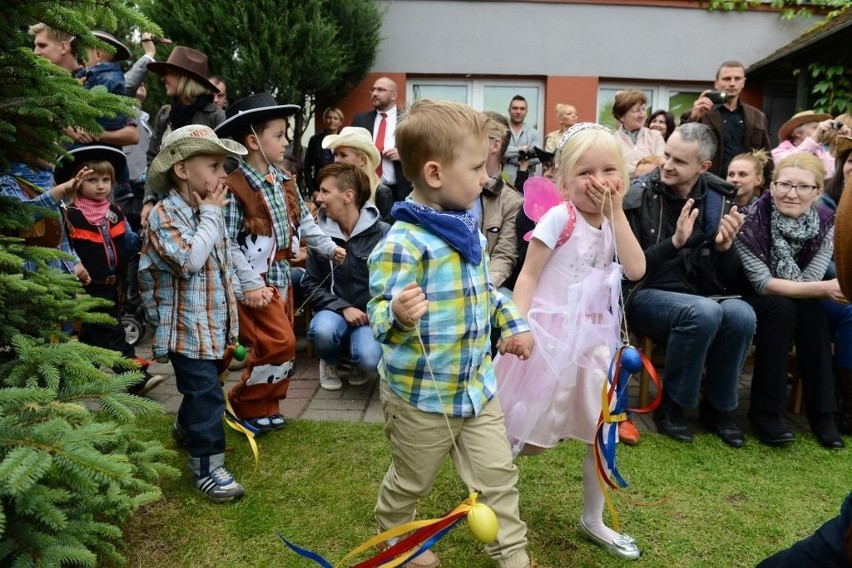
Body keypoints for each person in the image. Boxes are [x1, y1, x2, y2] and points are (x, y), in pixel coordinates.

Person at [367, 100, 536, 568]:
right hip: (421, 397)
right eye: (479, 167)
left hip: (476, 388)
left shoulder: (469, 231)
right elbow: (378, 311)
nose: (486, 177)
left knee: (498, 475)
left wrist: (513, 324)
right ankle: (397, 541)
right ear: (436, 174)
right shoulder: (402, 243)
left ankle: (512, 556)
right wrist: (397, 314)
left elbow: (486, 291)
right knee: (412, 481)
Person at [494, 123, 646, 560]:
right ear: (563, 178)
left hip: (595, 346)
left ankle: (593, 519)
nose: (598, 182)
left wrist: (617, 213)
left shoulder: (616, 222)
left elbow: (635, 269)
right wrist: (517, 328)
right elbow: (528, 276)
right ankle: (487, 483)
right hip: (549, 338)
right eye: (585, 172)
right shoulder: (561, 217)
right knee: (525, 429)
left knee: (600, 432)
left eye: (608, 170)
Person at [213, 93, 345, 431]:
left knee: (282, 348)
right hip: (255, 285)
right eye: (279, 135)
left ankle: (267, 405)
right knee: (277, 344)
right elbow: (226, 244)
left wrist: (329, 248)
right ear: (253, 141)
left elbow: (303, 223)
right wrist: (251, 285)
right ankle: (243, 405)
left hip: (282, 277)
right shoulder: (234, 187)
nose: (287, 141)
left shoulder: (284, 181)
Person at [623, 122, 756, 447]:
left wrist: (725, 250)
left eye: (679, 161)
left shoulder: (720, 197)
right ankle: (672, 408)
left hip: (701, 293)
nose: (667, 165)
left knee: (741, 314)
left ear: (704, 167)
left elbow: (727, 278)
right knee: (703, 312)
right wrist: (675, 243)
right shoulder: (639, 194)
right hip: (644, 294)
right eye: (667, 155)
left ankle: (717, 410)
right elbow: (629, 269)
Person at [138, 124, 248, 502]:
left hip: (215, 324)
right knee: (206, 395)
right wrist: (212, 215)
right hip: (185, 328)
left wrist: (249, 285)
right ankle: (207, 466)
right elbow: (189, 261)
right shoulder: (164, 215)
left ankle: (185, 428)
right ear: (182, 170)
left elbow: (227, 252)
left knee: (205, 388)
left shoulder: (210, 211)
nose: (222, 176)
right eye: (214, 166)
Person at [734, 153, 845, 449]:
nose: (791, 194)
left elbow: (811, 279)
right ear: (771, 186)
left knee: (808, 309)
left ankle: (823, 414)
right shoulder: (750, 220)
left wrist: (817, 289)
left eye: (802, 187)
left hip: (794, 299)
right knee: (786, 307)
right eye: (784, 185)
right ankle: (765, 411)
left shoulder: (825, 222)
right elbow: (762, 283)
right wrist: (824, 289)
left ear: (817, 192)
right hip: (747, 296)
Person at [53, 145, 164, 395]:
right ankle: (135, 379)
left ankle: (76, 375)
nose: (101, 186)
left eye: (106, 180)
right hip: (88, 286)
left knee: (93, 334)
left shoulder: (115, 212)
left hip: (114, 284)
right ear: (78, 181)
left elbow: (127, 241)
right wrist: (76, 268)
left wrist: (145, 237)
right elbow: (66, 248)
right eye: (92, 180)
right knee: (113, 332)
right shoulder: (71, 214)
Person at [303, 163, 389, 390]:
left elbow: (393, 284)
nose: (318, 198)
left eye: (325, 191)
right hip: (333, 313)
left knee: (370, 358)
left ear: (348, 196)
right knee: (322, 331)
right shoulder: (318, 234)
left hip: (368, 317)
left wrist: (374, 313)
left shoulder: (383, 233)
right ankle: (329, 360)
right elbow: (309, 283)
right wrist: (342, 307)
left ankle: (357, 361)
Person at [140, 46, 226, 227]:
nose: (163, 78)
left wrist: (206, 197)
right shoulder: (165, 115)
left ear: (185, 77)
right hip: (165, 210)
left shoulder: (215, 116)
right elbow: (153, 160)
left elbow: (230, 162)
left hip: (204, 210)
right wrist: (148, 200)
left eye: (168, 72)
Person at [28, 23, 138, 148]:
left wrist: (91, 133)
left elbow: (132, 135)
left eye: (42, 45)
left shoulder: (99, 81)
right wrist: (65, 127)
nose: (35, 52)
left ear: (64, 47)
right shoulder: (35, 87)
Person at [689, 60, 771, 180]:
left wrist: (769, 187)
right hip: (708, 182)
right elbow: (682, 143)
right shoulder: (702, 112)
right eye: (727, 79)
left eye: (737, 78)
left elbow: (766, 155)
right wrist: (694, 117)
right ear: (716, 83)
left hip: (745, 185)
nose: (732, 83)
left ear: (743, 82)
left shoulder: (757, 116)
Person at [481, 111, 524, 291]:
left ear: (495, 144)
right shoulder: (452, 185)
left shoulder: (512, 201)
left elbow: (504, 257)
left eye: (474, 136)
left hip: (488, 288)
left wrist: (482, 288)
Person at [351, 76, 412, 202]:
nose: (374, 93)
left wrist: (404, 155)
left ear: (393, 95)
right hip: (368, 189)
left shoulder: (408, 120)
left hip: (400, 191)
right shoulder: (360, 120)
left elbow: (422, 151)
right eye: (372, 90)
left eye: (380, 90)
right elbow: (350, 150)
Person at [321, 126, 394, 223]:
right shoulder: (334, 188)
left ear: (362, 160)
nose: (336, 160)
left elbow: (387, 233)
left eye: (343, 155)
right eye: (336, 155)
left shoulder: (381, 193)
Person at [612, 90, 665, 178]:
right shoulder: (612, 140)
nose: (642, 115)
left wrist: (628, 167)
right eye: (636, 110)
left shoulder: (655, 136)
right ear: (621, 116)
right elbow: (614, 170)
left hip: (650, 189)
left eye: (643, 109)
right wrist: (645, 166)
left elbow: (660, 165)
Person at [771, 111, 839, 177]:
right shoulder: (778, 153)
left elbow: (835, 172)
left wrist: (844, 137)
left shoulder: (822, 152)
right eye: (815, 128)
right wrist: (814, 138)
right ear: (798, 133)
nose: (820, 130)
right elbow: (792, 164)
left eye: (820, 127)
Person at [503, 95, 543, 181]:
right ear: (509, 111)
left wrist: (509, 159)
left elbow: (538, 157)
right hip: (503, 181)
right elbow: (500, 151)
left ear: (526, 112)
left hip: (526, 182)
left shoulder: (534, 133)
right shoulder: (501, 131)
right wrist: (521, 151)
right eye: (515, 108)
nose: (518, 111)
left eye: (522, 109)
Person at [304, 107, 343, 193]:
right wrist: (313, 191)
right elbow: (307, 168)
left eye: (335, 118)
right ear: (325, 120)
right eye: (329, 117)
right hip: (320, 188)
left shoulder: (345, 140)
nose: (332, 121)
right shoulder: (315, 140)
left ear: (340, 122)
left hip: (341, 188)